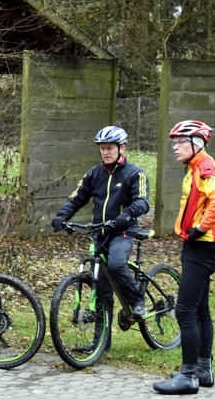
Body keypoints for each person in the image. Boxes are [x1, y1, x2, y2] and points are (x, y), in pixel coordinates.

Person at [51, 126, 151, 351]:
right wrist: (62, 216)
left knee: (116, 265)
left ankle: (137, 302)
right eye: (102, 148)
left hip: (121, 232)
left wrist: (127, 214)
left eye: (110, 148)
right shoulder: (94, 173)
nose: (105, 152)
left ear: (122, 148)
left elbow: (143, 201)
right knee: (100, 286)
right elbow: (76, 198)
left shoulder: (135, 173)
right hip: (99, 233)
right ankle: (101, 342)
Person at [153, 120, 215, 395]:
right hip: (200, 247)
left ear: (197, 144)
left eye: (180, 142)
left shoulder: (205, 167)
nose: (174, 147)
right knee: (200, 310)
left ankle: (188, 376)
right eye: (173, 142)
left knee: (185, 310)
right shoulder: (195, 167)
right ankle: (203, 370)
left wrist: (200, 228)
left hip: (203, 247)